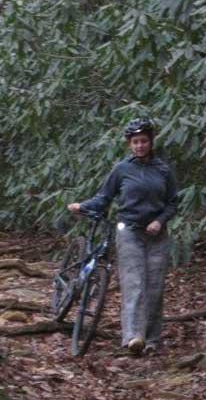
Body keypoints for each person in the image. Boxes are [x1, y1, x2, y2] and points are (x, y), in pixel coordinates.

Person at [67, 118, 179, 356]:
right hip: (129, 231)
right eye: (135, 142)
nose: (140, 146)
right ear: (130, 144)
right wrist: (81, 206)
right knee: (134, 283)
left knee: (155, 287)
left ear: (151, 142)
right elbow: (104, 198)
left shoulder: (163, 170)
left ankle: (152, 340)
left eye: (144, 141)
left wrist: (159, 221)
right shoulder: (122, 169)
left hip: (157, 235)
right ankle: (133, 337)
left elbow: (173, 203)